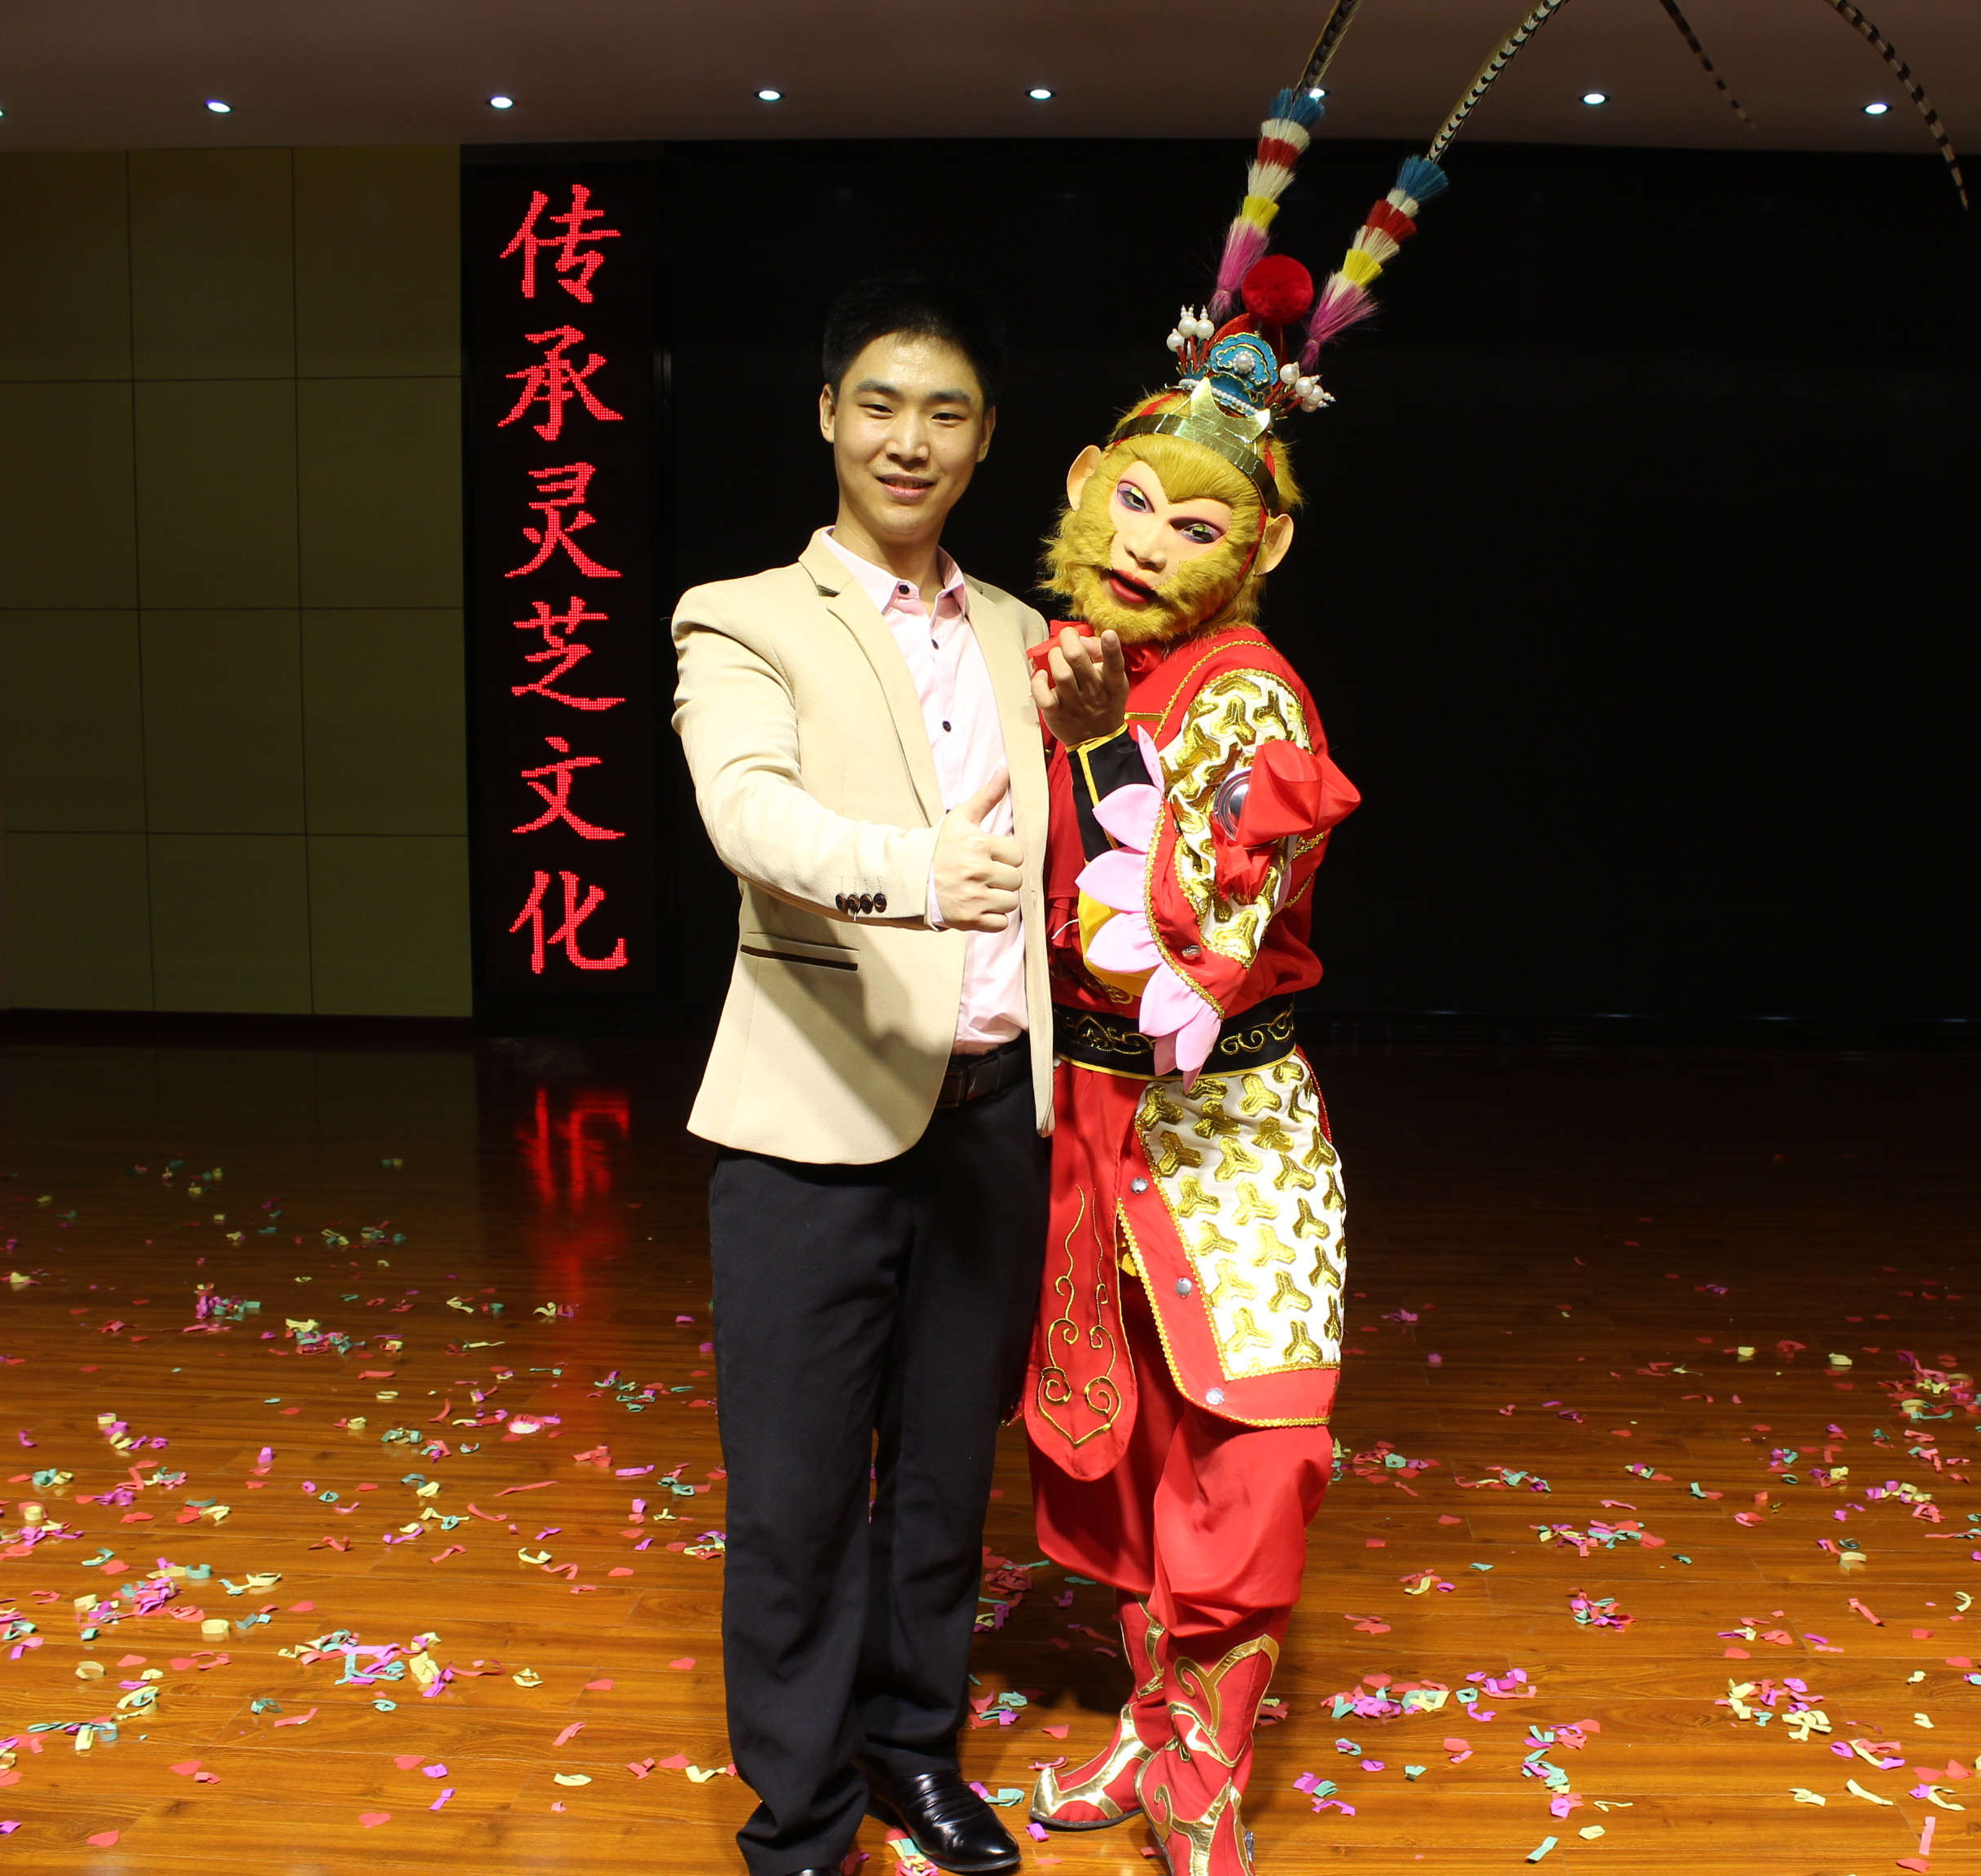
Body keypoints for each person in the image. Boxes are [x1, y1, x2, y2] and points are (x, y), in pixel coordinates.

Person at [1016, 11, 1573, 1871]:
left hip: (1222, 1129)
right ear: (1083, 488)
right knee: (1123, 1437)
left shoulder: (1245, 699)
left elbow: (1179, 947)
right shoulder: (1050, 652)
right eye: (1134, 503)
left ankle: (1206, 1771)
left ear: (1255, 553)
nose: (1152, 544)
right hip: (1085, 1121)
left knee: (1245, 1446)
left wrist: (1101, 743)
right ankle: (1147, 1729)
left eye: (1199, 525)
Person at [668, 273, 1129, 1876]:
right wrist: (917, 872)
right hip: (811, 1120)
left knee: (941, 1485)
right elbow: (750, 816)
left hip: (993, 1120)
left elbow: (1109, 849)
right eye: (879, 405)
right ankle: (801, 1822)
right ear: (827, 417)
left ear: (986, 440)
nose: (908, 440)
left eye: (944, 413)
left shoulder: (1029, 636)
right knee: (796, 1500)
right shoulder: (743, 616)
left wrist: (1106, 731)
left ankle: (912, 1756)